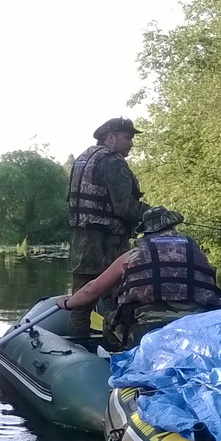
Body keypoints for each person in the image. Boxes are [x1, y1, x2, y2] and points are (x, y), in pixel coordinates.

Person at [56, 207, 221, 349]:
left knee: (110, 322)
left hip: (148, 332)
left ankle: (116, 360)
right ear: (172, 226)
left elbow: (91, 290)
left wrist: (68, 303)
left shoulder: (134, 255)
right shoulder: (195, 251)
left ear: (147, 231)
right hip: (197, 328)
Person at [65, 117, 151, 335]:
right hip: (108, 244)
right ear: (111, 138)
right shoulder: (113, 162)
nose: (131, 144)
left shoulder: (83, 159)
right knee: (117, 299)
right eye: (127, 138)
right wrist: (155, 215)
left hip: (80, 244)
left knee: (80, 303)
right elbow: (125, 207)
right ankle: (114, 346)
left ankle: (78, 343)